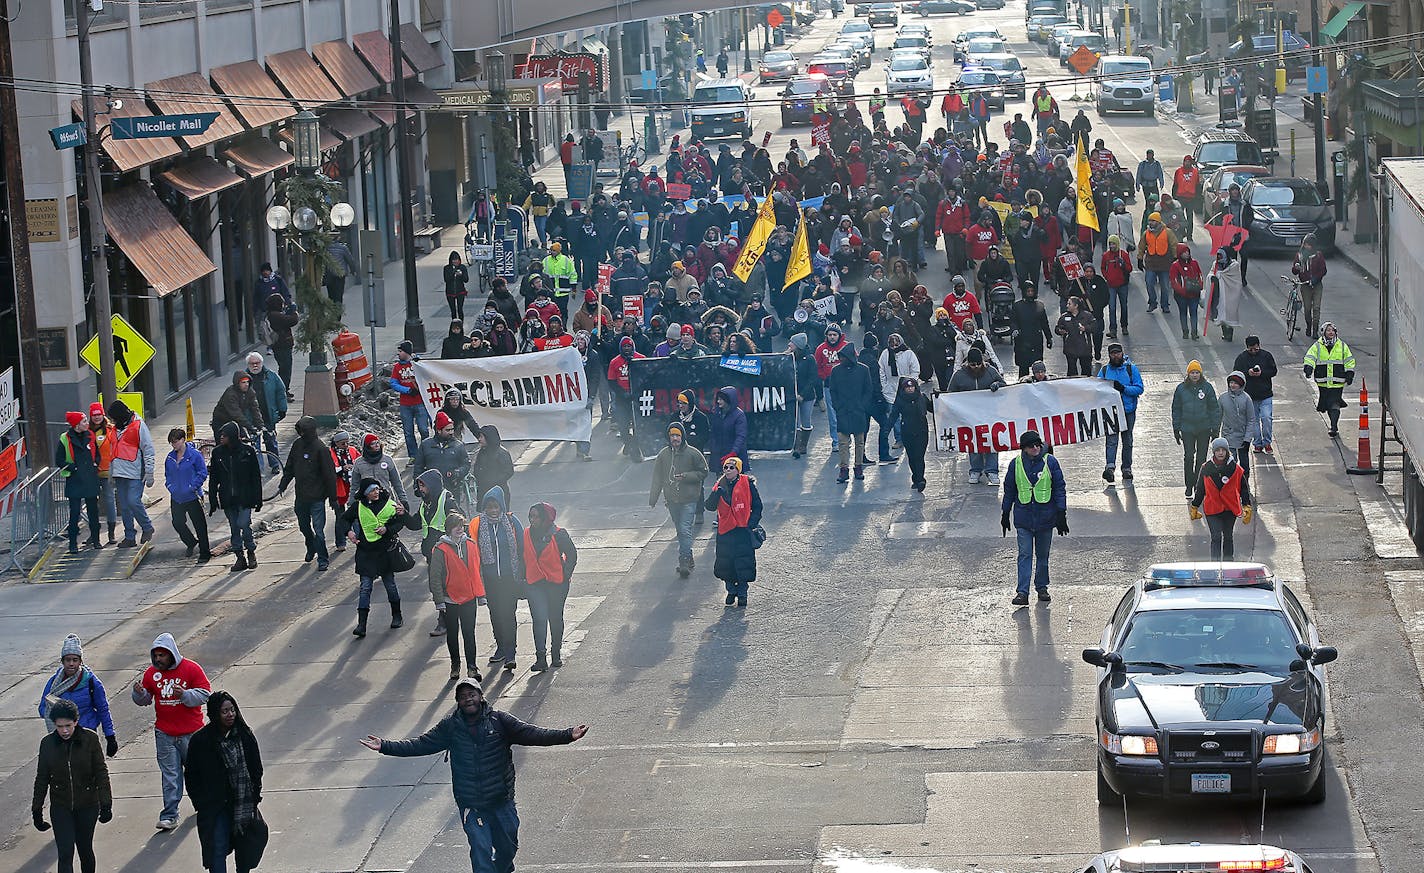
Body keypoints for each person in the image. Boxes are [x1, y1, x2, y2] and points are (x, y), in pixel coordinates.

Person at [361, 679, 587, 873]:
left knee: (508, 848)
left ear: (480, 696)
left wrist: (568, 735)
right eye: (462, 697)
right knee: (481, 853)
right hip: (472, 805)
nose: (468, 699)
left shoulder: (500, 721)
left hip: (501, 800)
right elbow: (420, 744)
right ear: (458, 702)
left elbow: (533, 733)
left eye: (472, 694)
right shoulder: (450, 726)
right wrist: (385, 746)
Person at [131, 632, 210, 830]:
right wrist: (139, 693)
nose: (158, 659)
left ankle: (204, 805)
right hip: (165, 734)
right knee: (170, 776)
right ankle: (169, 815)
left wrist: (185, 695)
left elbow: (204, 694)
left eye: (162, 655)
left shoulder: (191, 669)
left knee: (197, 772)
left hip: (192, 734)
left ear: (171, 654)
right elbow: (145, 699)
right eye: (155, 656)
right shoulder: (151, 673)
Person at [184, 692, 267, 873]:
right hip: (215, 807)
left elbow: (256, 768)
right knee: (217, 848)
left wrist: (254, 795)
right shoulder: (201, 741)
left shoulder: (244, 735)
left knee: (246, 847)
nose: (230, 715)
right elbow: (191, 775)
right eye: (224, 711)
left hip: (242, 802)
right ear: (215, 714)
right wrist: (201, 803)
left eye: (232, 710)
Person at [32, 698, 112, 873]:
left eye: (68, 725)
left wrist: (106, 804)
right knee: (65, 852)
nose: (64, 731)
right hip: (61, 805)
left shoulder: (90, 739)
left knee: (85, 850)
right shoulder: (47, 744)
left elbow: (100, 772)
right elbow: (42, 778)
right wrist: (36, 810)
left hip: (88, 804)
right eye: (59, 727)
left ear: (76, 721)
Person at [1000, 430, 1067, 605]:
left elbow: (1059, 487)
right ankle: (1022, 593)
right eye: (1032, 446)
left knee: (1043, 555)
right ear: (1024, 448)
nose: (1036, 448)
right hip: (1024, 518)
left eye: (1038, 444)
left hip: (1046, 518)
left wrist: (1061, 513)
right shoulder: (1015, 464)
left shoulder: (1050, 462)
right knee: (1025, 555)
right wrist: (1005, 513)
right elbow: (1009, 490)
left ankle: (1042, 587)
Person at [344, 479, 409, 636]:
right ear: (366, 492)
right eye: (373, 490)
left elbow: (400, 523)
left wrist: (387, 529)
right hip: (366, 553)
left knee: (390, 585)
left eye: (378, 489)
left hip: (384, 552)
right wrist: (349, 532)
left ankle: (397, 615)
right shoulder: (358, 506)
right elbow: (343, 520)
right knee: (365, 587)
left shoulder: (389, 504)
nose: (377, 492)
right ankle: (362, 624)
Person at [470, 486, 524, 670]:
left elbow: (521, 547)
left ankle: (510, 653)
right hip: (490, 579)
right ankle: (500, 647)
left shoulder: (511, 521)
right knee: (495, 614)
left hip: (510, 579)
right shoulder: (478, 523)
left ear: (501, 506)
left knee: (509, 615)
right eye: (489, 507)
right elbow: (473, 550)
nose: (493, 510)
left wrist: (521, 575)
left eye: (496, 507)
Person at [39, 635, 118, 755]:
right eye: (67, 660)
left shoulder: (91, 682)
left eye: (75, 660)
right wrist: (60, 714)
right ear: (62, 661)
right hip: (62, 738)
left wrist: (110, 736)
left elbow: (103, 709)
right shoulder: (54, 683)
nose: (71, 664)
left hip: (86, 735)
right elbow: (42, 708)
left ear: (80, 661)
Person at [522, 502, 578, 673]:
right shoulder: (526, 533)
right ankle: (540, 658)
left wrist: (564, 575)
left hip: (556, 584)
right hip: (535, 583)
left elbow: (572, 555)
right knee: (539, 619)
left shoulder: (559, 534)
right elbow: (522, 555)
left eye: (536, 516)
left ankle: (556, 654)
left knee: (555, 618)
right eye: (531, 516)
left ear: (546, 517)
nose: (533, 520)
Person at [428, 513, 484, 680]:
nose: (459, 528)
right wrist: (439, 600)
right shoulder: (440, 549)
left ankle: (472, 667)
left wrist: (480, 594)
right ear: (448, 528)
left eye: (461, 525)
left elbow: (476, 571)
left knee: (469, 633)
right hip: (449, 599)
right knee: (452, 633)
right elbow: (435, 576)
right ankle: (455, 665)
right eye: (455, 525)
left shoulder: (471, 545)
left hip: (469, 598)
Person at [278, 416, 338, 571]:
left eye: (303, 431)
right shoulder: (297, 445)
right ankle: (310, 545)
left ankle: (323, 558)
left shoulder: (320, 449)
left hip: (317, 497)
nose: (301, 434)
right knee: (304, 526)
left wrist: (333, 498)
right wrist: (283, 483)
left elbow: (329, 475)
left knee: (319, 530)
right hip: (301, 496)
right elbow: (290, 466)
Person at [650, 422, 709, 578]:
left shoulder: (693, 453)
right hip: (672, 500)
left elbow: (703, 472)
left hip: (689, 499)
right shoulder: (663, 455)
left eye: (677, 435)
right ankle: (688, 556)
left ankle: (683, 561)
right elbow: (657, 477)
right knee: (680, 529)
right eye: (672, 435)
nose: (675, 438)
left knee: (684, 529)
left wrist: (686, 476)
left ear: (682, 437)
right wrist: (653, 497)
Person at [705, 456, 762, 607]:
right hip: (725, 531)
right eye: (726, 467)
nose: (728, 470)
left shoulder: (747, 484)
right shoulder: (719, 485)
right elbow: (709, 506)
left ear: (738, 469)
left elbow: (757, 506)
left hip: (743, 530)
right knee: (726, 564)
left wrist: (752, 523)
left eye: (732, 467)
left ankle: (742, 593)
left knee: (743, 563)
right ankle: (731, 591)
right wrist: (717, 494)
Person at [210, 422, 263, 572]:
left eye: (224, 435)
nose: (221, 438)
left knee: (244, 524)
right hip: (228, 497)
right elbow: (214, 477)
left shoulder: (247, 452)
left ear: (232, 436)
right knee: (234, 527)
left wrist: (258, 499)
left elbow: (255, 477)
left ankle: (251, 550)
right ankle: (240, 556)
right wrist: (213, 499)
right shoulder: (218, 453)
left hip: (245, 497)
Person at [1189, 438, 1254, 560]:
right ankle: (1215, 565)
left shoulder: (1236, 469)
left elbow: (1244, 489)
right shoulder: (1206, 468)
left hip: (1230, 509)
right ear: (1213, 452)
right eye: (1217, 450)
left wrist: (1247, 506)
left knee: (1228, 536)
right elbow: (1200, 489)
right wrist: (1194, 506)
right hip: (1212, 509)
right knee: (1216, 537)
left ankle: (1228, 564)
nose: (1220, 453)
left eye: (1223, 450)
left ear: (1227, 451)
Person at [948, 348, 1005, 485]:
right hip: (969, 416)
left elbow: (1004, 385)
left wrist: (998, 384)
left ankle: (992, 471)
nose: (976, 367)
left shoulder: (991, 371)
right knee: (973, 442)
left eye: (979, 364)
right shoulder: (959, 375)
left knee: (992, 441)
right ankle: (975, 470)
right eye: (973, 365)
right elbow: (950, 393)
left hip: (990, 414)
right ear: (968, 363)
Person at [106, 399, 155, 548]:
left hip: (135, 472)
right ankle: (129, 537)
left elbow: (148, 449)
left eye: (114, 418)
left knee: (133, 501)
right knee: (125, 506)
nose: (112, 421)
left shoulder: (138, 426)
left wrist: (150, 472)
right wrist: (111, 472)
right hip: (120, 473)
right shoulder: (116, 428)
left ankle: (147, 527)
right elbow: (112, 451)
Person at [1171, 360, 1221, 499]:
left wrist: (1215, 429)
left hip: (1204, 428)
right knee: (1188, 457)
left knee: (1201, 458)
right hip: (1187, 428)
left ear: (1200, 373)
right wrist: (1176, 428)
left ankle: (1199, 485)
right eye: (1192, 372)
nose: (1194, 375)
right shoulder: (1181, 389)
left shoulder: (1207, 388)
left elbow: (1214, 409)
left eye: (1197, 372)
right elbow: (1176, 409)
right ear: (1188, 374)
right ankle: (1189, 485)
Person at [828, 345, 876, 483]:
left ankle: (858, 466)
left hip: (857, 410)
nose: (841, 359)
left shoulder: (863, 370)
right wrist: (837, 406)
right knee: (843, 442)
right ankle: (844, 469)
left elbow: (868, 389)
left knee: (859, 441)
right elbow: (833, 390)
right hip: (844, 411)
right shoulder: (836, 371)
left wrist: (862, 405)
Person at [1096, 342, 1143, 483]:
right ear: (1109, 355)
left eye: (1118, 353)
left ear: (1122, 353)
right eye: (1113, 353)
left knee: (1127, 440)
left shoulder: (1131, 369)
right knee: (1111, 440)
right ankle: (1110, 467)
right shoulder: (1104, 371)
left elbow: (1139, 388)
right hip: (1111, 412)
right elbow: (1096, 389)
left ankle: (1126, 468)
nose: (1116, 356)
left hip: (1128, 410)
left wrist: (1123, 389)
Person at [57, 411, 102, 553]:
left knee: (93, 512)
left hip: (89, 478)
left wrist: (96, 463)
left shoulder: (90, 435)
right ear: (76, 425)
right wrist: (73, 467)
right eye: (83, 421)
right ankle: (72, 544)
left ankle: (96, 540)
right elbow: (59, 459)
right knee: (74, 512)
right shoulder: (65, 438)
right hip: (75, 479)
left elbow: (97, 454)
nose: (87, 423)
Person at [165, 427, 213, 562]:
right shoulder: (170, 458)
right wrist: (170, 487)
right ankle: (191, 542)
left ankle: (205, 552)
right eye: (172, 443)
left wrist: (193, 486)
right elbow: (168, 475)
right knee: (178, 522)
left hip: (192, 496)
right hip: (177, 497)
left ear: (183, 440)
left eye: (175, 442)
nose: (174, 445)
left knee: (200, 525)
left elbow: (202, 472)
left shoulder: (194, 455)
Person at [1304, 322, 1355, 437]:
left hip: (1338, 382)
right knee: (1326, 404)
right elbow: (1310, 357)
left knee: (1334, 403)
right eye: (1328, 330)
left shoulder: (1342, 346)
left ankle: (1333, 426)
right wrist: (1308, 367)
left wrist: (1349, 373)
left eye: (1332, 330)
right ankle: (1333, 423)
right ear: (1323, 333)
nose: (1331, 332)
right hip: (1323, 382)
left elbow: (1349, 360)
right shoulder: (1317, 345)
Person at [243, 353, 287, 474]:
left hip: (268, 416)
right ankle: (258, 469)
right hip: (251, 418)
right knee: (254, 444)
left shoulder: (271, 376)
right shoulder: (242, 379)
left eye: (257, 363)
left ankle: (274, 464)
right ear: (248, 365)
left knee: (271, 441)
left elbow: (280, 392)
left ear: (262, 363)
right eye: (252, 363)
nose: (255, 366)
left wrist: (282, 409)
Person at [1234, 335, 1278, 454]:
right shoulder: (1242, 358)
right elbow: (1236, 374)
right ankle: (1257, 443)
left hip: (1265, 394)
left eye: (1255, 349)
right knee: (1253, 422)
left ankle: (1267, 442)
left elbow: (1273, 371)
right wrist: (1247, 373)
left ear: (1259, 346)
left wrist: (1262, 373)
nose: (1253, 351)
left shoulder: (1266, 356)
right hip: (1249, 396)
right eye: (1250, 349)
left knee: (1266, 418)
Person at [349, 433, 410, 512]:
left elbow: (396, 482)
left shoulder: (387, 460)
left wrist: (403, 500)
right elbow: (355, 485)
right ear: (366, 447)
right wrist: (351, 503)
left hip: (387, 501)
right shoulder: (359, 463)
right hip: (367, 504)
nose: (377, 445)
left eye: (377, 442)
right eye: (372, 443)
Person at [390, 341, 430, 459]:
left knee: (423, 429)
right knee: (408, 432)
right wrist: (407, 390)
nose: (398, 354)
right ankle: (413, 456)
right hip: (405, 404)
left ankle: (427, 453)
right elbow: (393, 383)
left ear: (407, 352)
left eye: (401, 351)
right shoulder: (397, 367)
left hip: (420, 402)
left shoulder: (417, 363)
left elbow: (427, 375)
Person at [893, 377, 932, 493]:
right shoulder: (900, 400)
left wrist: (939, 399)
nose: (910, 389)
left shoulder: (922, 397)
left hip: (921, 431)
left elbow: (932, 408)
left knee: (919, 456)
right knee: (912, 457)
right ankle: (915, 478)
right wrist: (886, 430)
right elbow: (893, 415)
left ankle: (920, 480)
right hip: (907, 431)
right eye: (907, 387)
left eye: (911, 386)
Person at [87, 403, 118, 544]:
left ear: (103, 414)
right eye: (94, 415)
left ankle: (111, 533)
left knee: (110, 501)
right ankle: (94, 533)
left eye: (99, 414)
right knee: (92, 504)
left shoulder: (111, 429)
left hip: (107, 471)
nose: (97, 417)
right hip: (92, 473)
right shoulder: (86, 431)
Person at [1220, 370, 1258, 477]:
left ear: (1241, 384)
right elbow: (1218, 416)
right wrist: (1215, 433)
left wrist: (1247, 438)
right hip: (1228, 435)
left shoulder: (1246, 399)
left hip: (1242, 436)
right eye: (1231, 382)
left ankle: (1244, 483)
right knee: (1230, 462)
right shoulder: (1223, 398)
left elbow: (1251, 419)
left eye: (1236, 383)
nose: (1233, 385)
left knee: (1244, 463)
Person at [1138, 212, 1177, 316]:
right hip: (1151, 263)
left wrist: (1175, 258)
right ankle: (1152, 303)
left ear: (1158, 222)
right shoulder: (1146, 233)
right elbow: (1141, 247)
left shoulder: (1168, 232)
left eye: (1153, 221)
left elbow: (1174, 245)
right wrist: (1139, 258)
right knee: (1149, 283)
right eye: (1150, 220)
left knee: (1165, 286)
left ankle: (1165, 305)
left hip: (1165, 264)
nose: (1151, 223)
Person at [1291, 233, 1328, 337]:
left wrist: (1315, 279)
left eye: (1309, 245)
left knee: (1316, 308)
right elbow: (1294, 271)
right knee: (1307, 308)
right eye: (1305, 244)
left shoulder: (1318, 256)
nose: (1307, 247)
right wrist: (1297, 268)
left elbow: (1323, 270)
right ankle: (1309, 325)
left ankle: (1315, 330)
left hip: (1317, 286)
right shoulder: (1299, 256)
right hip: (1305, 285)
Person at [261, 293, 299, 391]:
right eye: (282, 303)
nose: (283, 305)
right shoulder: (275, 315)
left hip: (279, 345)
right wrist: (294, 311)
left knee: (284, 369)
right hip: (282, 346)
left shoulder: (271, 314)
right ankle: (282, 390)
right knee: (285, 369)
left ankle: (284, 389)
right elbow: (292, 320)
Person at [1205, 247, 1243, 342]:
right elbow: (1210, 274)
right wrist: (1212, 277)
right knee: (1221, 313)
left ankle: (1229, 334)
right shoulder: (1215, 264)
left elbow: (1235, 280)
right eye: (1218, 255)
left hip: (1231, 294)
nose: (1218, 257)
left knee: (1229, 313)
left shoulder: (1234, 265)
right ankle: (1225, 333)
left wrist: (1219, 275)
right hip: (1220, 294)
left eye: (1220, 255)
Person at [472, 425, 515, 508]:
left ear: (489, 438)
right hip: (483, 491)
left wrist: (493, 481)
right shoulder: (482, 451)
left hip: (498, 492)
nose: (479, 439)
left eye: (481, 437)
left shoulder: (502, 453)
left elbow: (509, 471)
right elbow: (477, 466)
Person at [709, 385, 749, 473]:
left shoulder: (739, 415)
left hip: (735, 456)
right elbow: (713, 433)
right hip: (719, 455)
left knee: (736, 483)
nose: (718, 401)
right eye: (718, 399)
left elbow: (741, 436)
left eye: (721, 399)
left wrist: (733, 453)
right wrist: (713, 448)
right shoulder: (717, 413)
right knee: (721, 483)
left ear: (728, 400)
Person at [211, 371, 264, 437]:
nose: (246, 384)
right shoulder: (230, 394)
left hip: (235, 421)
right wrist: (249, 426)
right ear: (238, 383)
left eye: (247, 382)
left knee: (243, 439)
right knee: (224, 442)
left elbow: (255, 409)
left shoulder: (250, 392)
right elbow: (236, 413)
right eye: (243, 382)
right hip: (222, 421)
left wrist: (261, 425)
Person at [1169, 243, 1204, 340]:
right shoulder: (1175, 266)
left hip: (1194, 293)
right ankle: (1185, 331)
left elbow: (1199, 275)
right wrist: (1182, 291)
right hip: (1182, 296)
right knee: (1183, 312)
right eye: (1184, 252)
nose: (1186, 254)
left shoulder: (1194, 263)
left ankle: (1194, 332)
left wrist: (1200, 286)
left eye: (1187, 252)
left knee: (1194, 312)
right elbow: (1174, 280)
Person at [1054, 296, 1096, 376]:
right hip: (1070, 348)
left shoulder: (1087, 316)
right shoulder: (1064, 317)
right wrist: (1060, 331)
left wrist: (1086, 328)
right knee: (1072, 372)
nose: (1067, 305)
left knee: (1086, 371)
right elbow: (1057, 328)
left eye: (1069, 304)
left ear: (1076, 306)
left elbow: (1094, 326)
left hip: (1084, 349)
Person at [1171, 155, 1201, 240]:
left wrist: (1197, 198)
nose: (1187, 163)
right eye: (1186, 161)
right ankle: (1181, 233)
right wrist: (1174, 197)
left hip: (1191, 198)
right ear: (1183, 162)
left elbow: (1197, 185)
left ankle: (1189, 235)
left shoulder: (1195, 172)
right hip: (1180, 197)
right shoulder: (1178, 171)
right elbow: (1175, 185)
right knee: (1180, 217)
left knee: (1190, 217)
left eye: (1189, 161)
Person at [443, 251, 470, 320]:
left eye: (457, 259)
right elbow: (446, 279)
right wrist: (453, 273)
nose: (455, 261)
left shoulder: (462, 267)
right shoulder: (447, 268)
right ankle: (454, 323)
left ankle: (461, 323)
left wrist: (461, 275)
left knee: (460, 309)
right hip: (450, 291)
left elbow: (466, 280)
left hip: (460, 291)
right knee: (453, 310)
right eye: (453, 260)